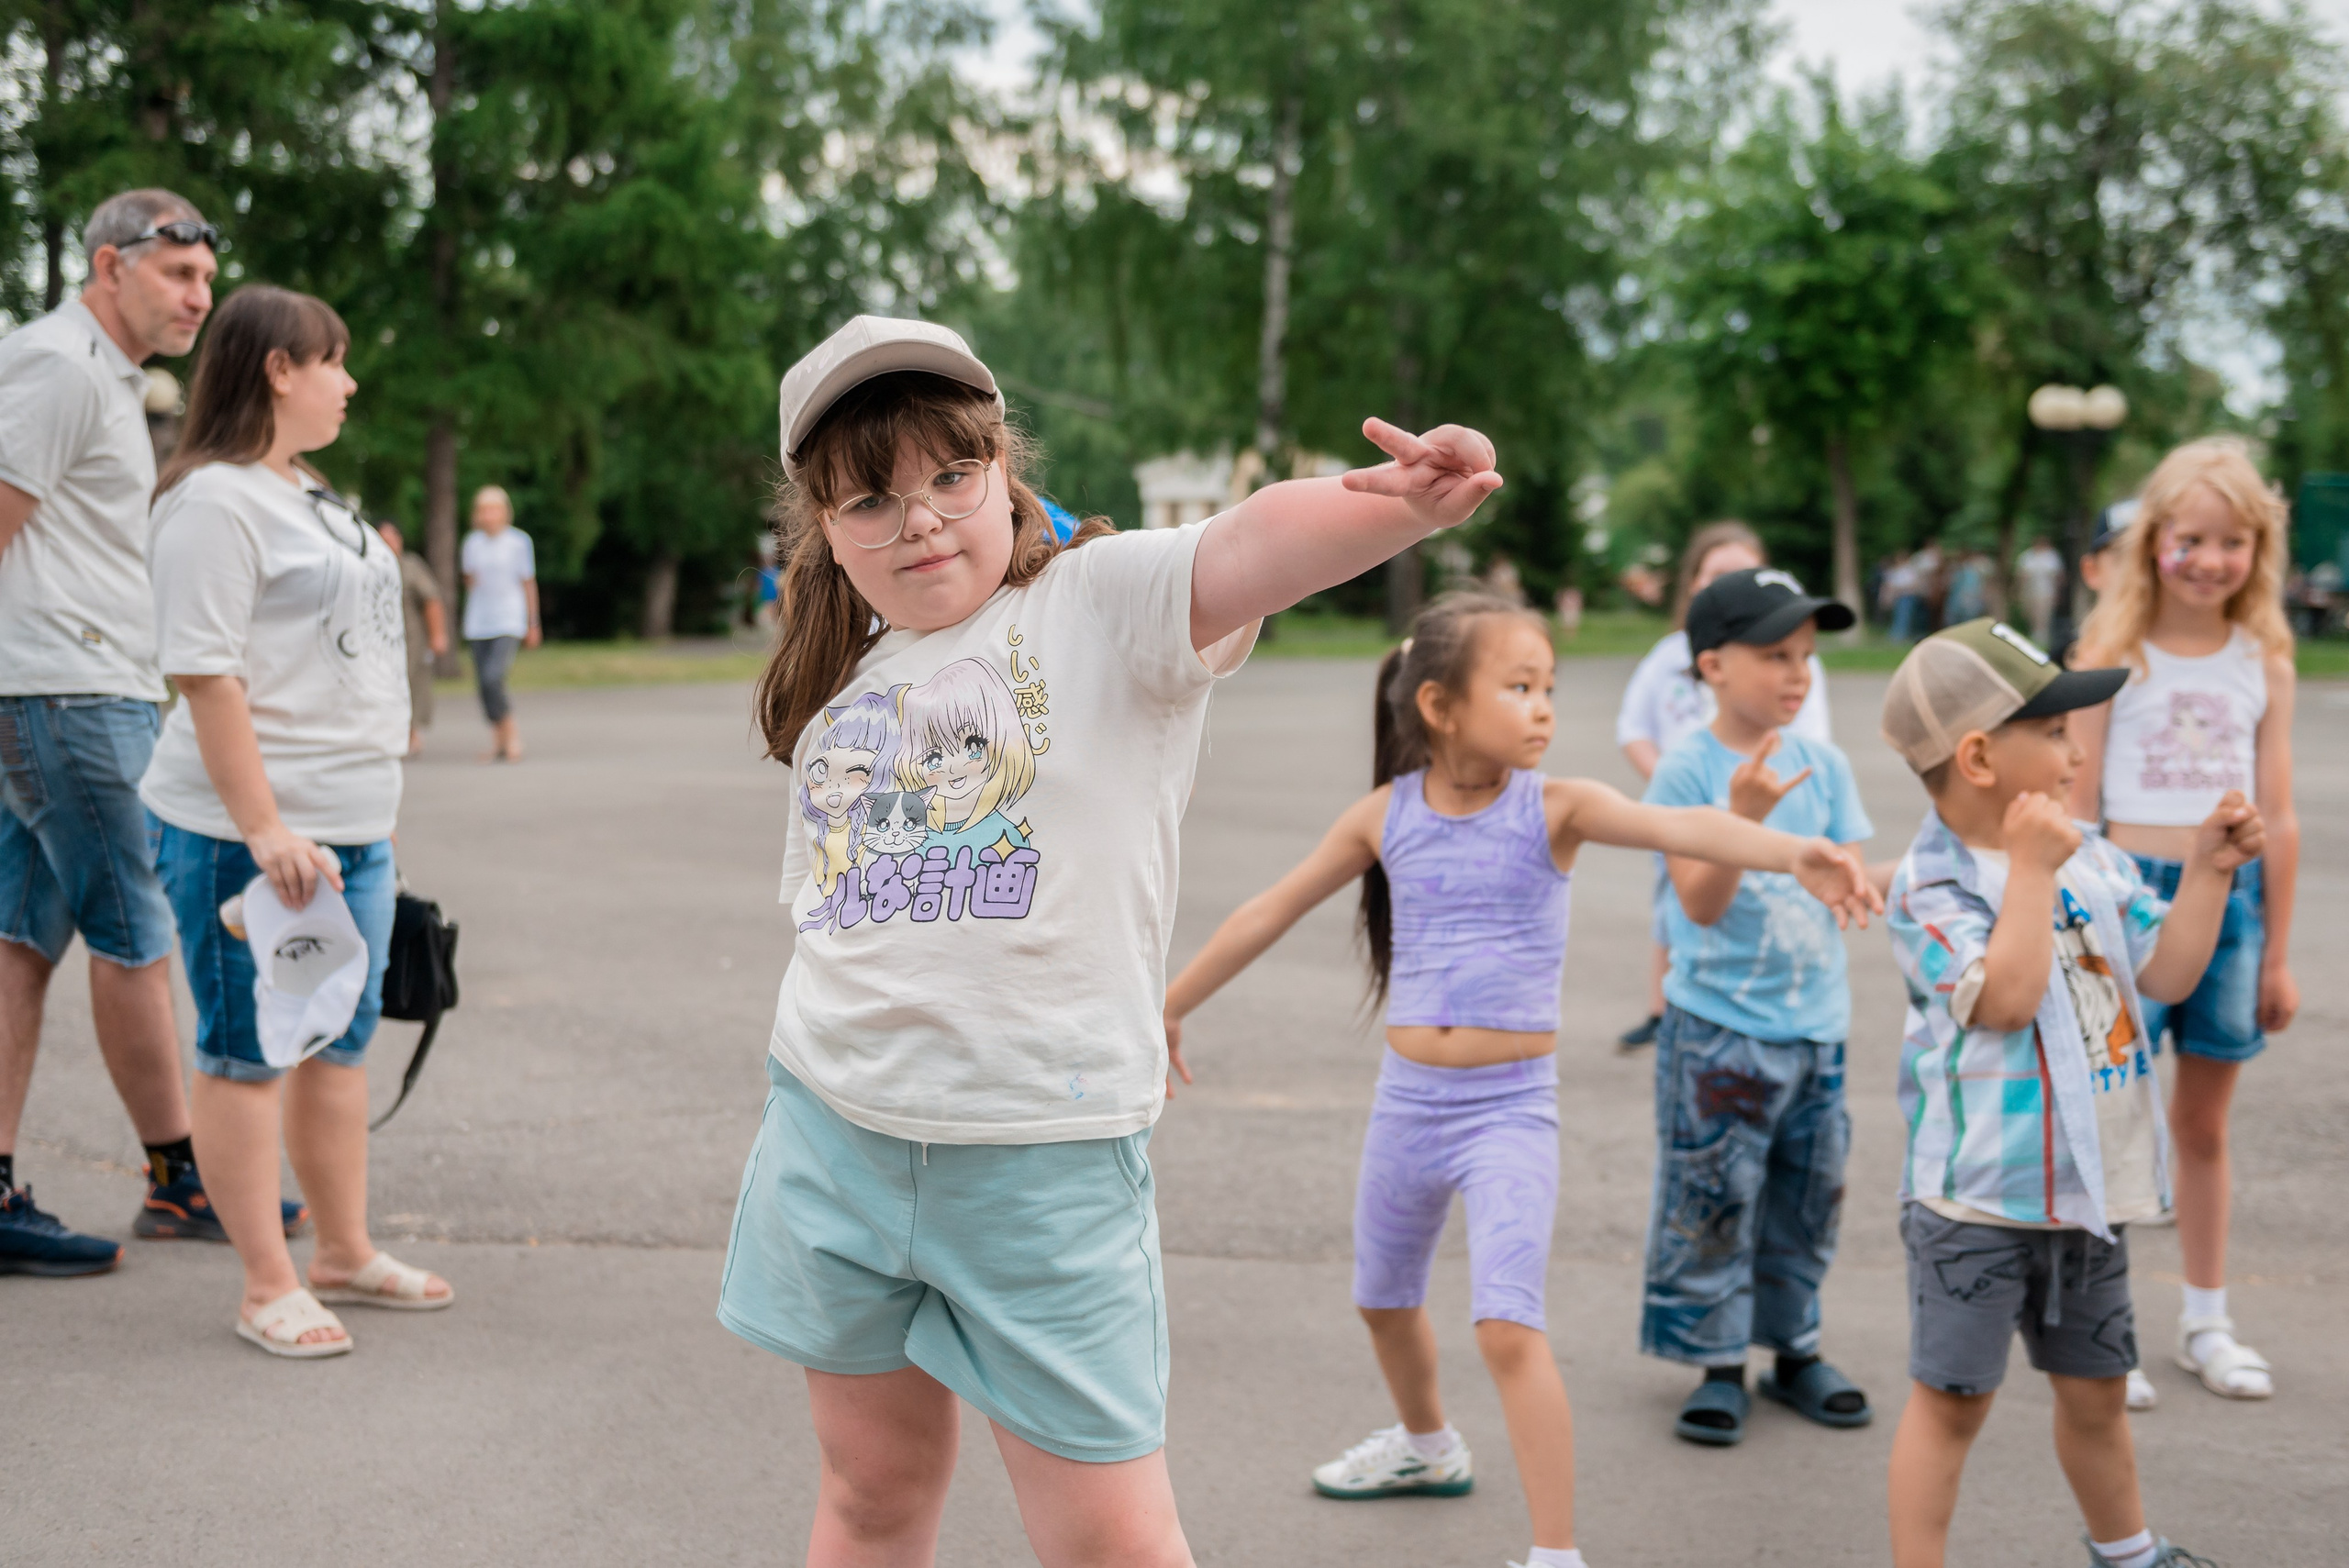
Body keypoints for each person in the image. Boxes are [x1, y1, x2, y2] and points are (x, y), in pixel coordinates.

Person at [721, 315, 1504, 1565]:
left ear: (1003, 468)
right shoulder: (844, 669)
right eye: (870, 496)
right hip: (833, 1135)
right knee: (871, 1490)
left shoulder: (1100, 601)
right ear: (822, 520)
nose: (918, 518)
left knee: (1109, 1542)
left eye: (949, 476)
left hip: (1040, 1155)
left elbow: (1247, 546)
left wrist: (1401, 508)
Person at [1157, 592, 1879, 1568]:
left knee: (1505, 1320)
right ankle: (1426, 1444)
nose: (1543, 706)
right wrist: (1170, 1002)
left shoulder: (1558, 806)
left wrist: (1797, 851)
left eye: (1548, 686)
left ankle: (1554, 1551)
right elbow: (1266, 908)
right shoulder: (1385, 815)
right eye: (1519, 685)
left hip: (1510, 1108)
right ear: (1440, 705)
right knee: (1380, 1296)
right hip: (1408, 1103)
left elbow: (1690, 830)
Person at [1880, 618, 2256, 1568]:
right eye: (2049, 731)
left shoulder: (2089, 855)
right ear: (1976, 755)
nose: (2073, 749)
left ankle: (2127, 1550)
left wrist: (2209, 871)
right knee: (1952, 1401)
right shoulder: (1932, 884)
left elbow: (2166, 970)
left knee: (2094, 1388)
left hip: (2084, 1191)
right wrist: (2032, 875)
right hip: (1974, 1200)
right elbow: (2002, 1001)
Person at [140, 284, 452, 1356]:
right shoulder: (211, 502)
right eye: (335, 361)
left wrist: (370, 813)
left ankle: (342, 1250)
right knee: (249, 1049)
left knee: (340, 1041)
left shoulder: (306, 490)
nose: (350, 380)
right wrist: (266, 826)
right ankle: (265, 1281)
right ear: (279, 367)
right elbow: (205, 674)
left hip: (353, 822)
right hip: (251, 833)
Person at [0, 187, 286, 1275]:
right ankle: (182, 1179)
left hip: (65, 686)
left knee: (21, 940)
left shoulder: (104, 376)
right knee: (140, 926)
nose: (199, 297)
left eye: (207, 279)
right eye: (178, 275)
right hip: (66, 689)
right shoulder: (61, 366)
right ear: (109, 265)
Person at [2067, 439, 2298, 1407]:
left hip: (2232, 904)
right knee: (2112, 1115)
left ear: (2258, 549)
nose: (2209, 559)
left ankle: (2207, 1319)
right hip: (2124, 897)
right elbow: (2073, 800)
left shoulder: (2264, 660)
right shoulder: (2106, 654)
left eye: (2232, 541)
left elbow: (2278, 815)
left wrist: (2279, 952)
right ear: (2152, 539)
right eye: (2189, 538)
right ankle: (2097, 1328)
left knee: (2201, 1123)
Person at [1640, 567, 1876, 1447]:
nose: (1797, 673)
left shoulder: (1830, 764)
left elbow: (1848, 880)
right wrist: (1739, 820)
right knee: (1715, 1197)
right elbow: (1696, 905)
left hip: (1817, 1029)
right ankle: (1718, 1362)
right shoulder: (1687, 769)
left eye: (1807, 655)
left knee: (1808, 1199)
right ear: (1712, 665)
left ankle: (1796, 1350)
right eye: (1775, 653)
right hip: (1717, 1033)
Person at [1613, 522, 1831, 1048]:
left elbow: (1810, 739)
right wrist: (1670, 784)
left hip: (1764, 806)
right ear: (1692, 582)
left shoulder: (1801, 670)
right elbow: (1633, 728)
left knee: (1756, 903)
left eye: (1744, 573)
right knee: (1676, 906)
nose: (1793, 669)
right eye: (1716, 573)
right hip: (1682, 813)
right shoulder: (1669, 656)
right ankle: (1665, 1007)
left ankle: (1750, 1005)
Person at [460, 484, 538, 762]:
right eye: (483, 509)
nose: (488, 514)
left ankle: (512, 735)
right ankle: (498, 740)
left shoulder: (519, 542)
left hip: (508, 618)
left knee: (494, 677)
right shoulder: (471, 543)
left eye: (494, 509)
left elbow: (528, 583)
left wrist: (533, 623)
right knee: (483, 683)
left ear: (504, 512)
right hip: (479, 620)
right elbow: (470, 581)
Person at [380, 522, 448, 756]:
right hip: (379, 638)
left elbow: (431, 600)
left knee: (412, 684)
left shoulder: (410, 566)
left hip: (411, 637)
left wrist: (438, 635)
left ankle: (411, 734)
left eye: (392, 539)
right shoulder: (370, 565)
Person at [2017, 535, 2065, 647]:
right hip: (2029, 592)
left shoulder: (2051, 556)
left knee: (2043, 617)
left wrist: (2058, 592)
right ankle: (2033, 638)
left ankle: (2041, 641)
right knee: (2030, 616)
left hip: (2046, 593)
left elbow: (2059, 576)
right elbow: (2021, 575)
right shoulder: (2027, 556)